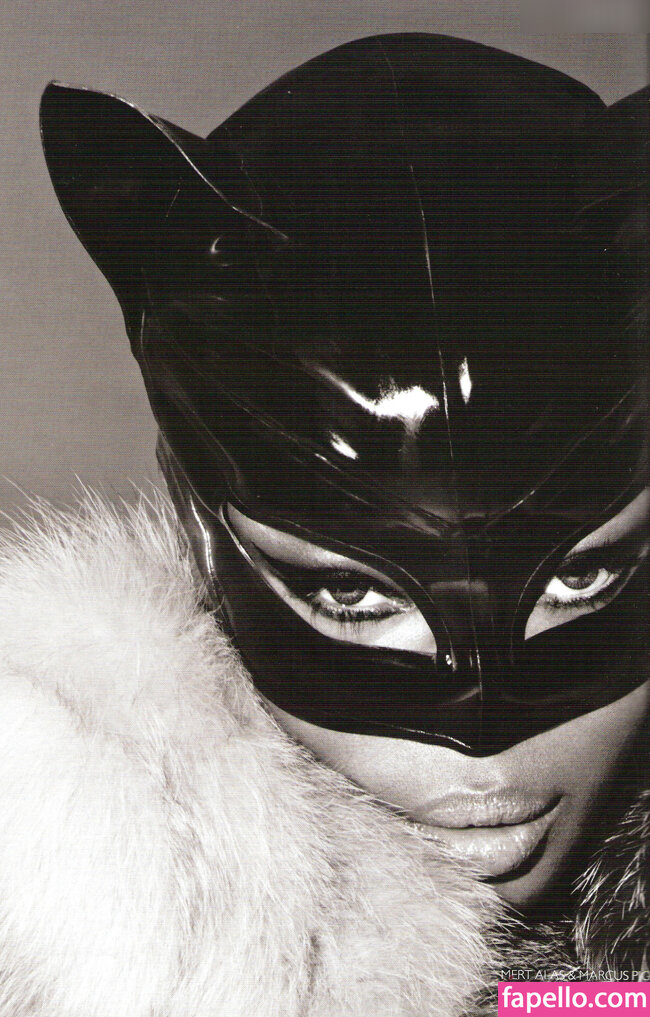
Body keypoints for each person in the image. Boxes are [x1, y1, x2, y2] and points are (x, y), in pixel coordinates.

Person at [4, 32, 646, 1016]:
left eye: (581, 576)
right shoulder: (78, 925)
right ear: (203, 532)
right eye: (349, 590)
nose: (480, 741)